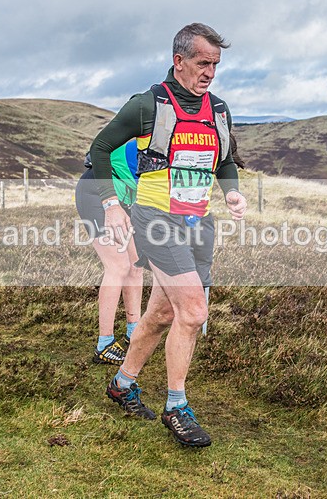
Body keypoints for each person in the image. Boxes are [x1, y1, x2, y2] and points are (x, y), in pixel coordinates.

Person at [89, 23, 247, 447]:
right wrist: (109, 204)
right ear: (178, 61)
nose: (210, 72)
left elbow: (227, 161)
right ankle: (176, 406)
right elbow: (99, 149)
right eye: (202, 63)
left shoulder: (219, 109)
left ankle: (123, 383)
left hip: (198, 224)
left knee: (161, 314)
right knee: (194, 312)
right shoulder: (147, 105)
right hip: (156, 221)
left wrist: (231, 192)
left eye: (215, 64)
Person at [75, 139, 143, 365]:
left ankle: (134, 332)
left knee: (135, 265)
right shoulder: (159, 141)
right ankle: (104, 345)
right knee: (118, 266)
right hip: (97, 192)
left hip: (124, 199)